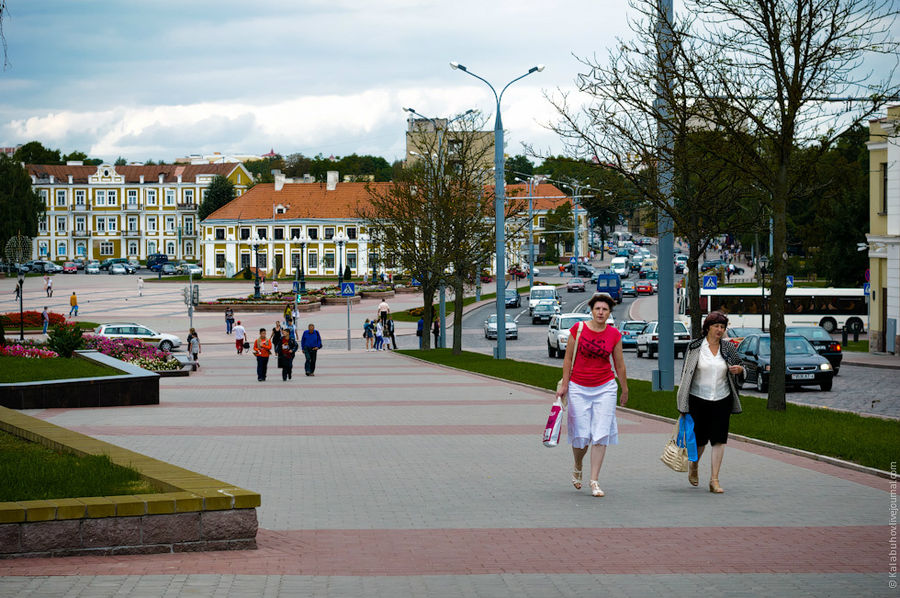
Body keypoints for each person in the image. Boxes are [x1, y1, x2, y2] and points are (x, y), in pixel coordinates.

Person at [555, 292, 628, 498]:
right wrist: (565, 385)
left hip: (605, 387)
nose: (601, 312)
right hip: (578, 387)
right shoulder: (578, 330)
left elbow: (620, 365)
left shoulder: (614, 335)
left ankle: (594, 480)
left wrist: (625, 388)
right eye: (598, 309)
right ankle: (578, 464)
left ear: (609, 313)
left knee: (600, 433)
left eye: (605, 309)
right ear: (592, 310)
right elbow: (568, 359)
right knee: (581, 436)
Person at [677, 311, 744, 494]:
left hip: (722, 398)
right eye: (716, 326)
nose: (719, 330)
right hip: (698, 398)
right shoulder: (695, 347)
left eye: (722, 327)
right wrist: (682, 403)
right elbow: (685, 375)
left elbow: (741, 366)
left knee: (719, 440)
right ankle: (694, 465)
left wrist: (739, 370)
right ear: (708, 327)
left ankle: (714, 479)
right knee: (700, 440)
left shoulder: (728, 348)